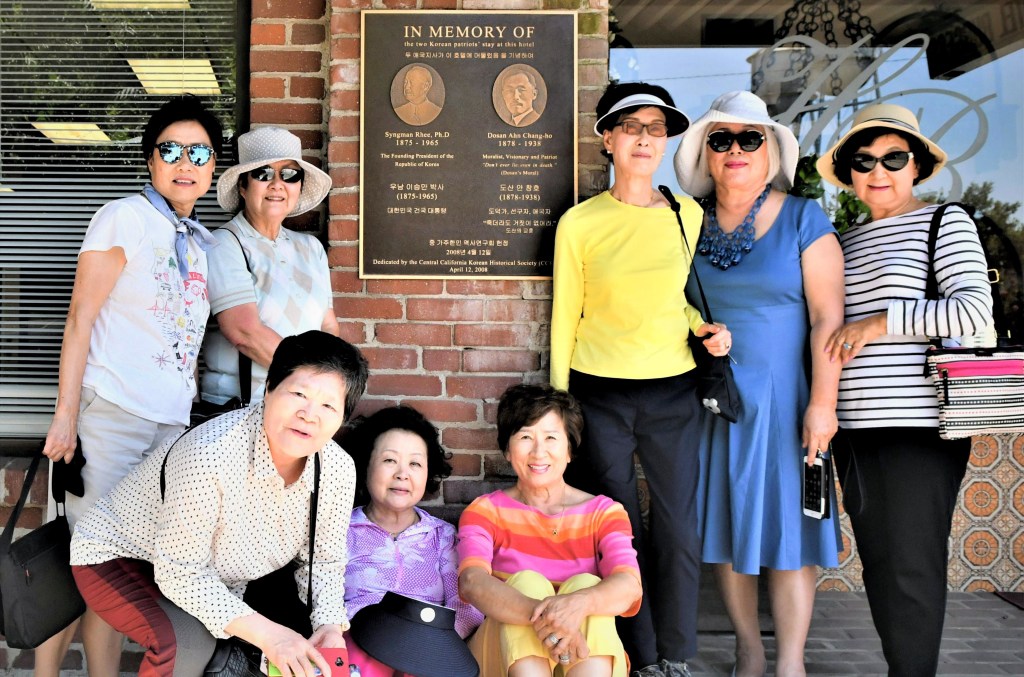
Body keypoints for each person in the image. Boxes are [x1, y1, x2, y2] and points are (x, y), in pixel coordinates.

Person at [35, 95, 222, 677]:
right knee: (80, 562)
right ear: (149, 159)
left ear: (214, 166)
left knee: (117, 574)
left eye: (200, 153)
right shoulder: (125, 217)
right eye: (171, 150)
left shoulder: (199, 240)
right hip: (110, 417)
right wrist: (67, 416)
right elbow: (80, 317)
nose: (185, 163)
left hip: (166, 429)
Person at [550, 82, 731, 677]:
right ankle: (640, 654)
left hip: (673, 388)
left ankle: (675, 654)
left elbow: (677, 300)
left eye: (656, 128)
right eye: (631, 126)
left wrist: (704, 328)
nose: (644, 138)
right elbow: (565, 315)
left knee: (678, 524)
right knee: (618, 528)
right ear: (607, 139)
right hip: (598, 391)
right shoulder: (580, 222)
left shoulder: (687, 214)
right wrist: (559, 408)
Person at [68, 331, 369, 677]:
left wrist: (328, 624)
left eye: (328, 405)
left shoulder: (337, 469)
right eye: (299, 394)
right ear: (269, 388)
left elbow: (324, 561)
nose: (309, 414)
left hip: (215, 572)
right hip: (123, 553)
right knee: (186, 646)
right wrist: (269, 635)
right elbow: (180, 572)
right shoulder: (210, 454)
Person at [816, 104, 993, 676]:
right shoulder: (842, 240)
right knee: (881, 564)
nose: (879, 170)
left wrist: (878, 323)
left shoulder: (945, 221)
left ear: (916, 166)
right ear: (848, 172)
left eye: (894, 158)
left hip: (918, 426)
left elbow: (973, 310)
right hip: (854, 430)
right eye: (863, 160)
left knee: (911, 568)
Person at [673, 90, 845, 677]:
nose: (737, 149)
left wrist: (823, 403)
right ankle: (748, 650)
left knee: (792, 531)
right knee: (727, 530)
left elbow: (828, 319)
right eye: (721, 139)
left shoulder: (803, 218)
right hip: (715, 405)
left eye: (751, 138)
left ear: (771, 151)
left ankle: (791, 663)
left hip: (787, 404)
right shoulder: (685, 223)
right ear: (706, 154)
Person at [458, 384, 643, 677]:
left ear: (569, 450)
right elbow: (472, 582)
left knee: (586, 587)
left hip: (583, 658)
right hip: (502, 661)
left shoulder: (605, 512)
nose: (538, 451)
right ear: (507, 450)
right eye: (525, 437)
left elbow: (629, 586)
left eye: (551, 437)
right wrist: (555, 621)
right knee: (526, 583)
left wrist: (578, 606)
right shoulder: (485, 511)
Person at [340, 405, 483, 676]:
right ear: (365, 465)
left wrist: (422, 645)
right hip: (357, 651)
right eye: (389, 460)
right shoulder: (340, 531)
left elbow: (465, 607)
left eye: (415, 464)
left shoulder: (442, 537)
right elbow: (323, 602)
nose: (402, 474)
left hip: (426, 654)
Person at [202, 126, 338, 406]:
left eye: (290, 175)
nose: (277, 184)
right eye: (263, 174)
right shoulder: (224, 244)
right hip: (241, 408)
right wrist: (311, 383)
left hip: (300, 405)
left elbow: (328, 327)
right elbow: (246, 333)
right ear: (243, 186)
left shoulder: (311, 248)